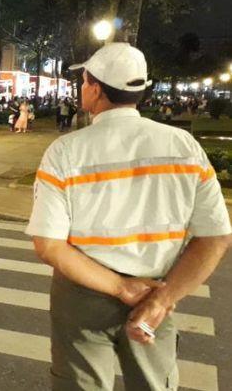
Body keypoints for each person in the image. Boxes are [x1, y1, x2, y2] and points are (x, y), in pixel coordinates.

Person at [27, 43, 232, 391]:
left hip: (83, 294)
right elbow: (216, 237)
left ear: (94, 88)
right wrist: (161, 301)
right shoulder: (184, 147)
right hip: (156, 291)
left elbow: (49, 244)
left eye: (84, 80)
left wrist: (121, 287)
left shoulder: (65, 152)